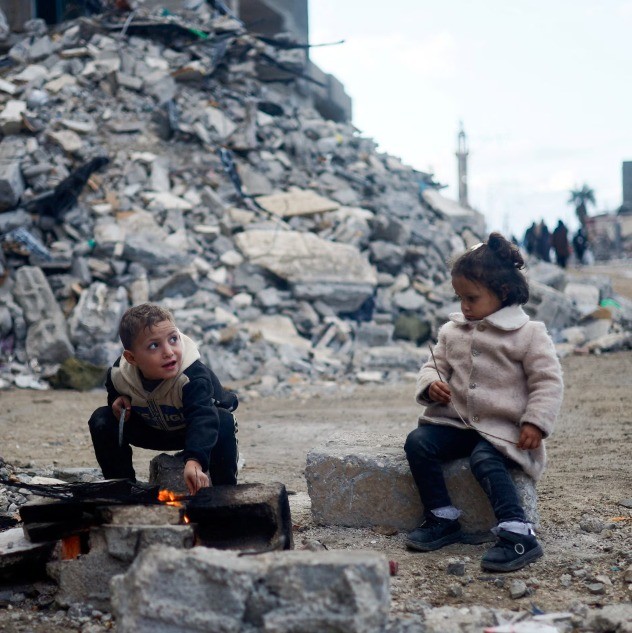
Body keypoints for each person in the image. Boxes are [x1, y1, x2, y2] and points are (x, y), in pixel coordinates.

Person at [404, 233, 563, 572]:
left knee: (483, 460)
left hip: (503, 429)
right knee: (419, 443)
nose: (464, 306)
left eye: (472, 298)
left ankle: (518, 534)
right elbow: (434, 365)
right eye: (459, 297)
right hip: (457, 422)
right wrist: (432, 384)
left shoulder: (528, 334)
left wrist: (535, 422)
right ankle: (442, 517)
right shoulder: (452, 331)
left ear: (503, 292)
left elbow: (547, 381)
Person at [88, 303, 238, 495]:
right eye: (154, 346)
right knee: (102, 418)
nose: (168, 351)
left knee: (222, 420)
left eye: (173, 339)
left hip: (191, 431)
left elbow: (203, 418)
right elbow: (113, 386)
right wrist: (117, 399)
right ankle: (120, 488)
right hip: (150, 429)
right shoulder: (121, 373)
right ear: (132, 358)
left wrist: (194, 460)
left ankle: (225, 493)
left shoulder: (192, 376)